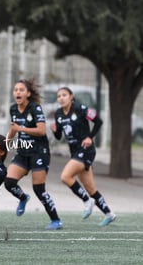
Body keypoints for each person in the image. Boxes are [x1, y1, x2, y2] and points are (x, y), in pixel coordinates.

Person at [50, 86, 116, 226]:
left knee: (65, 176)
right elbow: (59, 136)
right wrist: (55, 131)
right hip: (74, 152)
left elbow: (98, 121)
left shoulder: (80, 108)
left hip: (86, 150)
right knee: (90, 188)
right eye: (58, 96)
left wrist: (90, 137)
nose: (61, 98)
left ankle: (87, 200)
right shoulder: (58, 114)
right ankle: (109, 214)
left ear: (71, 97)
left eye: (64, 95)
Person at [3, 78, 63, 230]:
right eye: (16, 90)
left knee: (39, 189)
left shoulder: (35, 108)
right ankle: (23, 197)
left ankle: (56, 220)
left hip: (39, 152)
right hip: (23, 151)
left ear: (28, 94)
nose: (18, 92)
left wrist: (20, 129)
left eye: (21, 90)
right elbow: (13, 128)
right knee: (9, 182)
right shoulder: (13, 109)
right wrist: (5, 143)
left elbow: (41, 130)